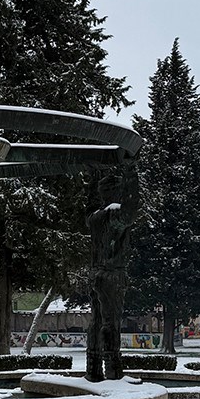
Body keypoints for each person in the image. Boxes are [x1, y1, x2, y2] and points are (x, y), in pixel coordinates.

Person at [85, 161, 140, 381]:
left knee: (96, 321)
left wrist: (92, 180)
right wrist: (130, 174)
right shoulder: (114, 215)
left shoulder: (95, 217)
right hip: (112, 274)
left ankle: (93, 368)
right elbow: (131, 208)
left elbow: (89, 206)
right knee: (111, 322)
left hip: (96, 274)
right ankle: (114, 370)